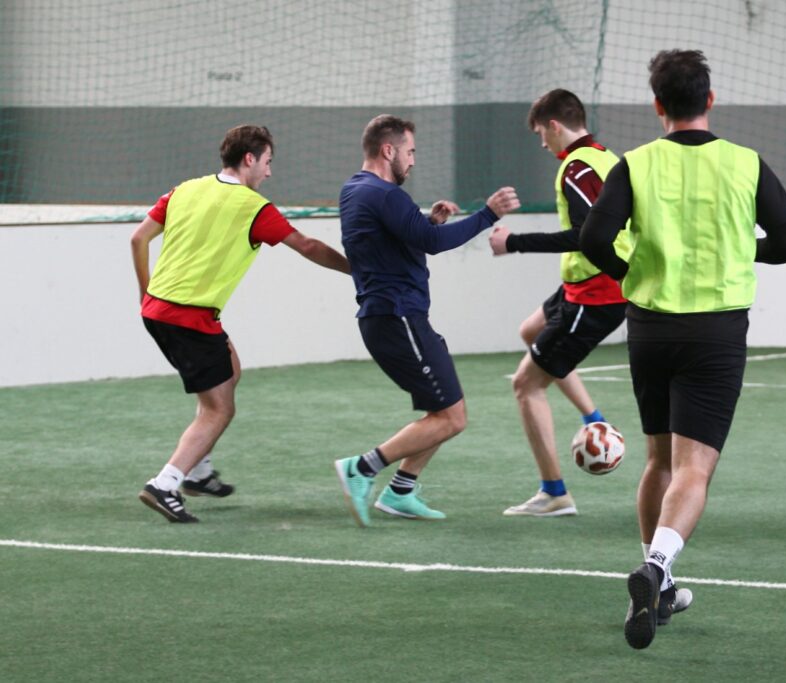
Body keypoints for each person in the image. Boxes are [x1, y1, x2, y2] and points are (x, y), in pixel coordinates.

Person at [579, 50, 786, 649]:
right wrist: (740, 249)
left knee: (659, 460)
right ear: (710, 100)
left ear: (658, 105)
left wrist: (630, 271)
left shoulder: (635, 164)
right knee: (694, 469)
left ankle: (660, 589)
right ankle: (656, 568)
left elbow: (594, 238)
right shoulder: (745, 162)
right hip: (716, 332)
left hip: (650, 328)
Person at [131, 124, 351, 523]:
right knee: (219, 410)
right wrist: (358, 271)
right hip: (189, 318)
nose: (269, 171)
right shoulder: (254, 208)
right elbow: (308, 246)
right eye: (267, 162)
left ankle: (198, 473)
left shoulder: (185, 190)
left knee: (230, 370)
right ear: (249, 159)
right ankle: (166, 483)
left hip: (162, 311)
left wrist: (145, 293)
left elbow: (138, 239)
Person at [335, 114, 520, 526]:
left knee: (447, 409)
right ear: (388, 150)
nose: (413, 160)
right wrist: (487, 214)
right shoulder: (386, 195)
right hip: (397, 317)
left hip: (393, 318)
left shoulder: (355, 190)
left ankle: (401, 491)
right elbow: (433, 244)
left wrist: (428, 222)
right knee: (451, 416)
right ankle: (361, 468)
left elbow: (399, 239)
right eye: (410, 151)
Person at [488, 89, 631, 517]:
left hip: (596, 293)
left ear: (554, 126)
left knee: (525, 385)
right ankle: (594, 419)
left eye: (540, 134)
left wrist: (514, 242)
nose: (542, 144)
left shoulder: (576, 168)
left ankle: (554, 493)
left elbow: (587, 236)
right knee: (530, 330)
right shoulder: (606, 157)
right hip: (584, 285)